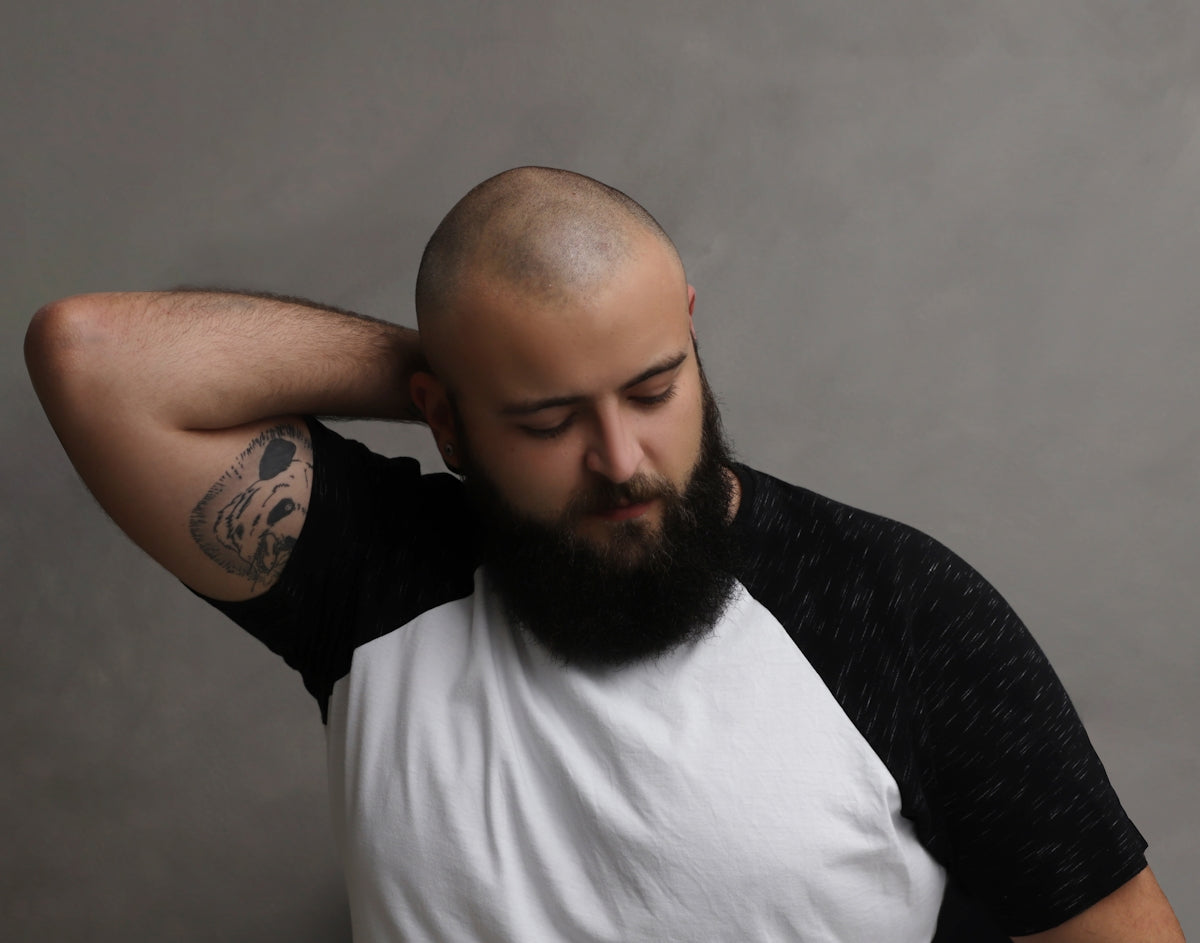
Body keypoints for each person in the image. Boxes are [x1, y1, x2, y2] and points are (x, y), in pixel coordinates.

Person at [25, 167, 1184, 943]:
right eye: (545, 420)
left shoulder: (897, 608)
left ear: (690, 328)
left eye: (653, 385)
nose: (621, 457)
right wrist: (461, 367)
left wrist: (516, 380)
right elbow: (94, 360)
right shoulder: (376, 586)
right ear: (442, 417)